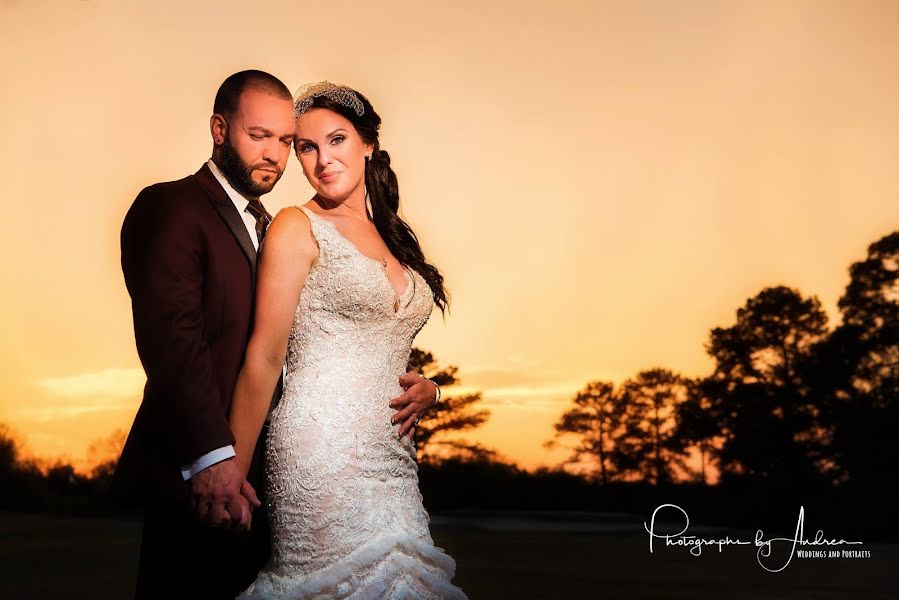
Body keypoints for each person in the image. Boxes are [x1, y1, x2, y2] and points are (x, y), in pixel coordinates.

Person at [228, 82, 468, 598]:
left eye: (336, 140)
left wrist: (431, 389)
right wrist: (232, 469)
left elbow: (387, 337)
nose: (322, 160)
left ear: (368, 145)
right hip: (320, 452)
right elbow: (266, 355)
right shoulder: (297, 225)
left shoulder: (394, 235)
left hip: (394, 459)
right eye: (306, 148)